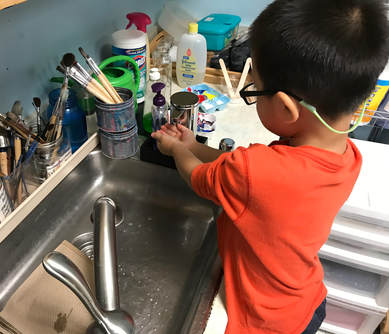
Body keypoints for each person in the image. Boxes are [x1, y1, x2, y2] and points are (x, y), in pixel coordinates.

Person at [151, 0, 389, 333]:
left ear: (285, 108)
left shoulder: (256, 171)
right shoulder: (346, 153)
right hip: (307, 301)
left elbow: (198, 176)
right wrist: (194, 145)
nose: (254, 97)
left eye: (255, 90)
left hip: (267, 322)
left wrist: (178, 150)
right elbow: (241, 171)